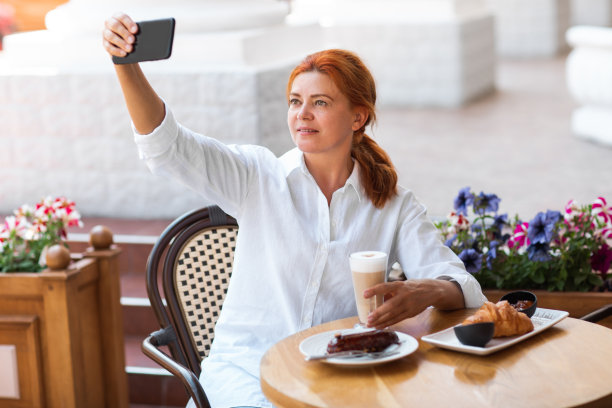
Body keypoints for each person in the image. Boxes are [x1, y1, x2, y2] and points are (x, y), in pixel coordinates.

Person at [103, 13, 487, 408]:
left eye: (319, 102)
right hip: (247, 372)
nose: (302, 114)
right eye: (295, 102)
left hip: (335, 377)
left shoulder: (392, 204)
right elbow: (168, 147)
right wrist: (125, 66)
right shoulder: (257, 176)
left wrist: (424, 290)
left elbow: (465, 288)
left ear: (358, 117)